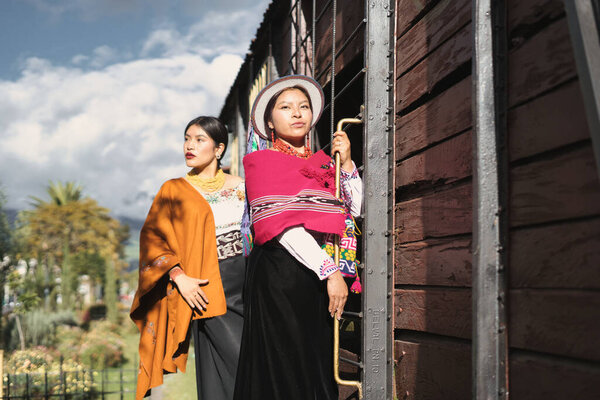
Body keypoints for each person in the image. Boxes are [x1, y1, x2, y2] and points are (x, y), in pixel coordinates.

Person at [233, 75, 363, 400]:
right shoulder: (260, 163)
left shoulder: (323, 163)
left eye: (303, 106)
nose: (297, 113)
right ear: (270, 122)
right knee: (284, 366)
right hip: (280, 276)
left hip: (314, 276)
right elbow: (284, 228)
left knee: (316, 361)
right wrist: (330, 271)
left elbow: (358, 209)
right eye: (286, 107)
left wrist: (346, 164)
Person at [130, 116, 245, 400]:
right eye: (186, 138)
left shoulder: (243, 186)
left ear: (219, 149)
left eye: (199, 140)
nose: (189, 146)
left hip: (249, 281)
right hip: (207, 287)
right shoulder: (173, 190)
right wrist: (179, 277)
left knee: (227, 369)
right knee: (242, 364)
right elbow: (153, 239)